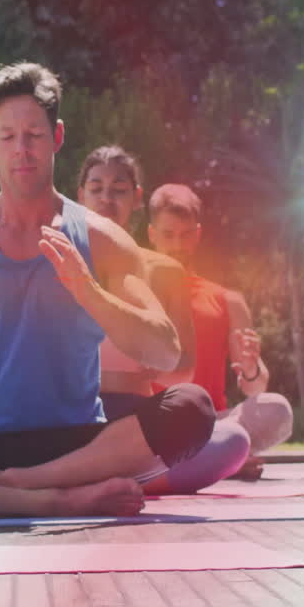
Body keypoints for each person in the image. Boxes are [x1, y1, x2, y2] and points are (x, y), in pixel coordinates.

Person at [0, 63, 213, 519]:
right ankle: (52, 498)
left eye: (34, 135)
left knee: (193, 408)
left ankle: (14, 490)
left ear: (57, 138)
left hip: (78, 447)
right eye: (8, 137)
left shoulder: (102, 239)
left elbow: (164, 351)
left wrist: (87, 289)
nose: (22, 150)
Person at [76, 147, 235, 494]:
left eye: (118, 189)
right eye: (96, 188)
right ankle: (113, 477)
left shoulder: (163, 270)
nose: (106, 198)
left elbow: (183, 368)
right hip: (70, 415)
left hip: (135, 419)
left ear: (135, 198)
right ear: (80, 196)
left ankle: (102, 477)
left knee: (232, 439)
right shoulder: (59, 261)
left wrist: (114, 372)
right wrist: (132, 365)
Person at [147, 183, 294, 483]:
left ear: (198, 234)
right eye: (168, 235)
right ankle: (221, 461)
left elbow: (255, 389)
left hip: (211, 424)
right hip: (151, 426)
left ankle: (211, 457)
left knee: (277, 409)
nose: (177, 244)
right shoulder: (136, 291)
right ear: (152, 235)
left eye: (185, 234)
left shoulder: (227, 300)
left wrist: (252, 369)